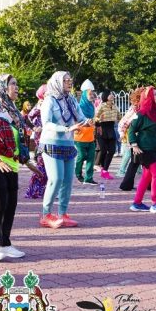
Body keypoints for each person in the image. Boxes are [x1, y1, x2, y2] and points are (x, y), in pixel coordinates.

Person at [0, 74, 39, 261]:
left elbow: (18, 140)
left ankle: (4, 244)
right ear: (1, 88)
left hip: (11, 164)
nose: (16, 87)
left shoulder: (12, 112)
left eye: (17, 84)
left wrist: (26, 160)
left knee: (11, 205)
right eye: (12, 84)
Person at [39, 71, 87, 228]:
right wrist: (67, 129)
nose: (69, 82)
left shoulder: (72, 100)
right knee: (56, 178)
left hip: (68, 144)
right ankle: (46, 214)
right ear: (57, 82)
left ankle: (62, 213)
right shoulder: (49, 100)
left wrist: (89, 122)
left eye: (70, 79)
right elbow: (46, 124)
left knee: (67, 180)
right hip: (52, 143)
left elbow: (80, 118)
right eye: (65, 80)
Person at [127, 86, 156, 213]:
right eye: (155, 94)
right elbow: (131, 129)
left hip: (155, 148)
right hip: (144, 149)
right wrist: (134, 144)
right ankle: (155, 203)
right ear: (149, 97)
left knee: (147, 176)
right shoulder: (141, 113)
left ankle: (137, 203)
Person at [23, 85, 48, 199]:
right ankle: (33, 190)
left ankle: (42, 190)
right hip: (41, 139)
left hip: (49, 137)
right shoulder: (40, 104)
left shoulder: (49, 103)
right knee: (42, 163)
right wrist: (35, 127)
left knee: (47, 164)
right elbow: (28, 118)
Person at [118, 87, 145, 191]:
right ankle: (125, 182)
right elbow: (123, 122)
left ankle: (127, 184)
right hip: (135, 138)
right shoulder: (135, 108)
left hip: (142, 137)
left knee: (138, 162)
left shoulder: (146, 108)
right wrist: (121, 133)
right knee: (135, 161)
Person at [73, 82, 98, 184]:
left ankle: (89, 178)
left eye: (92, 94)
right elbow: (74, 120)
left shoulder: (92, 107)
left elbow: (92, 119)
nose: (92, 96)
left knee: (91, 158)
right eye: (90, 94)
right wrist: (84, 123)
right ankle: (78, 174)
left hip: (90, 137)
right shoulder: (79, 107)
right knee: (82, 156)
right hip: (79, 137)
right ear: (84, 95)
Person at [93, 89, 120, 180]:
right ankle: (101, 168)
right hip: (102, 129)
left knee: (112, 151)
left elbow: (119, 117)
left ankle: (105, 170)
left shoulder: (115, 106)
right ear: (105, 96)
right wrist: (98, 124)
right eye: (110, 94)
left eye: (112, 94)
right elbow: (95, 116)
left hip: (111, 129)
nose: (112, 95)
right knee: (103, 150)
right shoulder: (102, 106)